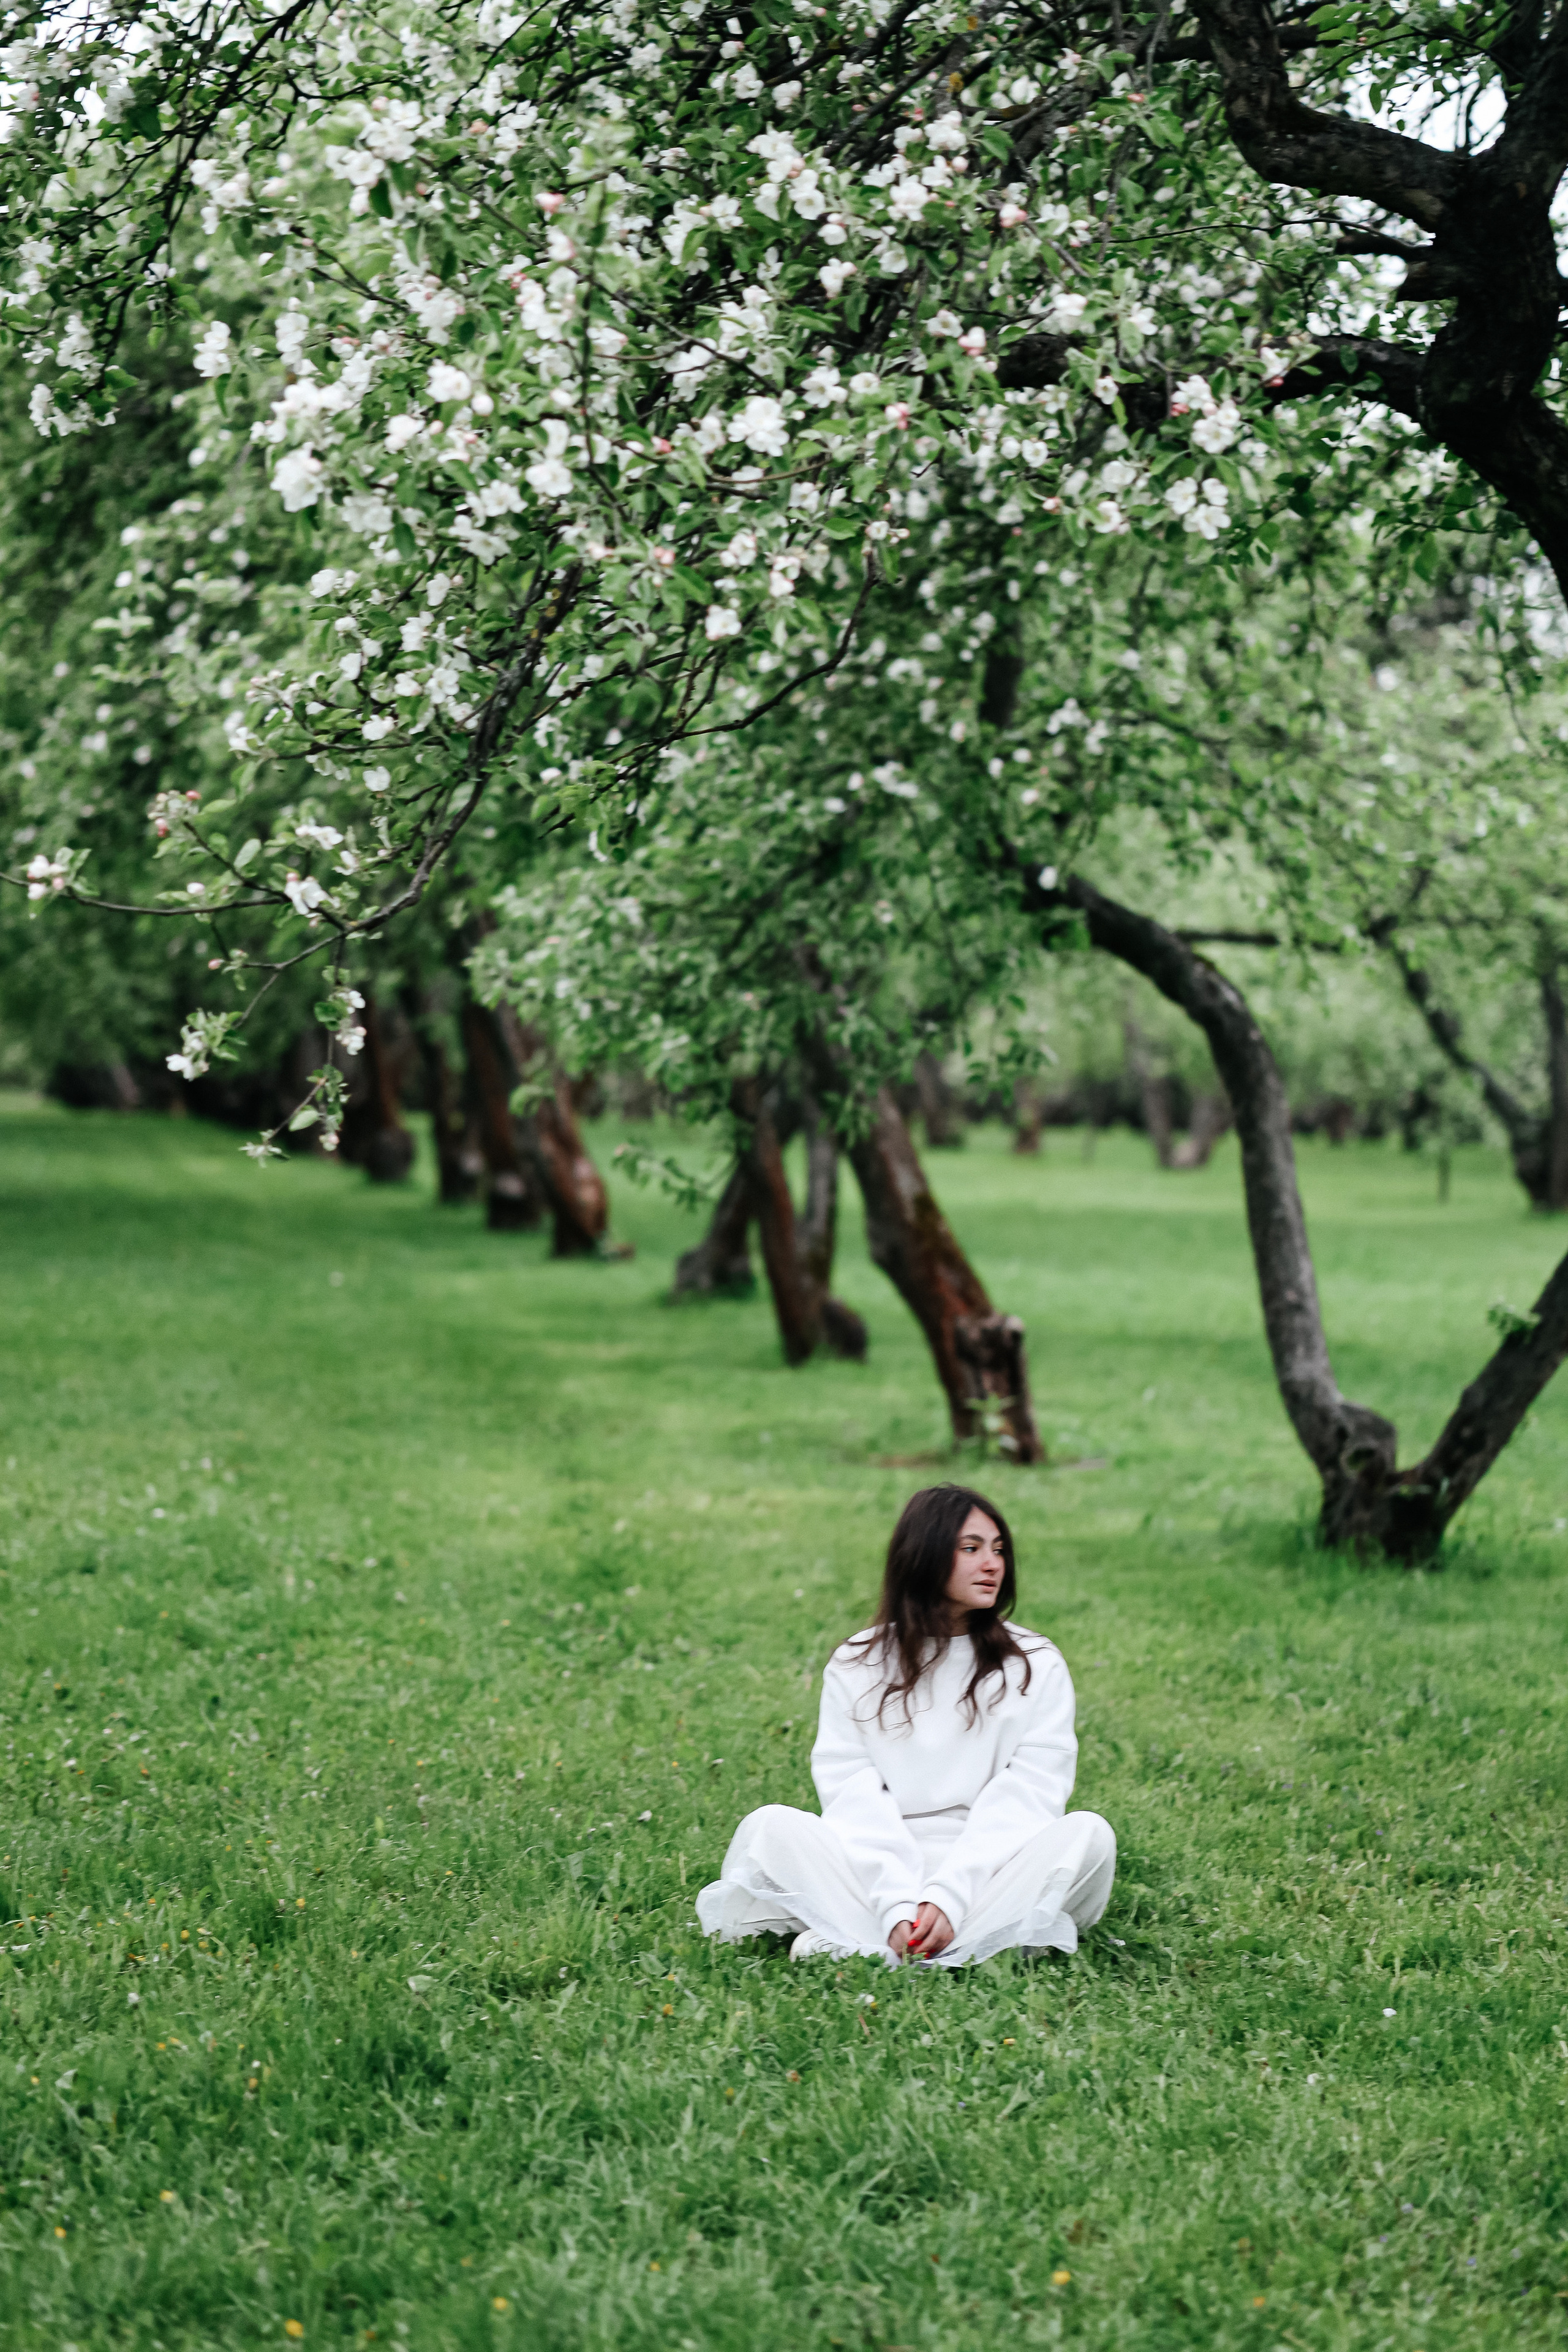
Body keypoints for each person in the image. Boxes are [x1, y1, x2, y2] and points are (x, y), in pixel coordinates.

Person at [696, 1483, 1117, 1966]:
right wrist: (897, 1903)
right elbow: (852, 1798)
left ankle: (871, 1947)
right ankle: (948, 1944)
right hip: (875, 1871)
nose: (993, 1564)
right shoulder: (858, 1663)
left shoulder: (1035, 1663)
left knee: (1090, 1835)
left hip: (994, 1869)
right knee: (769, 1827)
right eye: (971, 1548)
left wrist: (949, 1898)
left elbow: (1030, 1795)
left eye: (999, 1549)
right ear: (925, 1556)